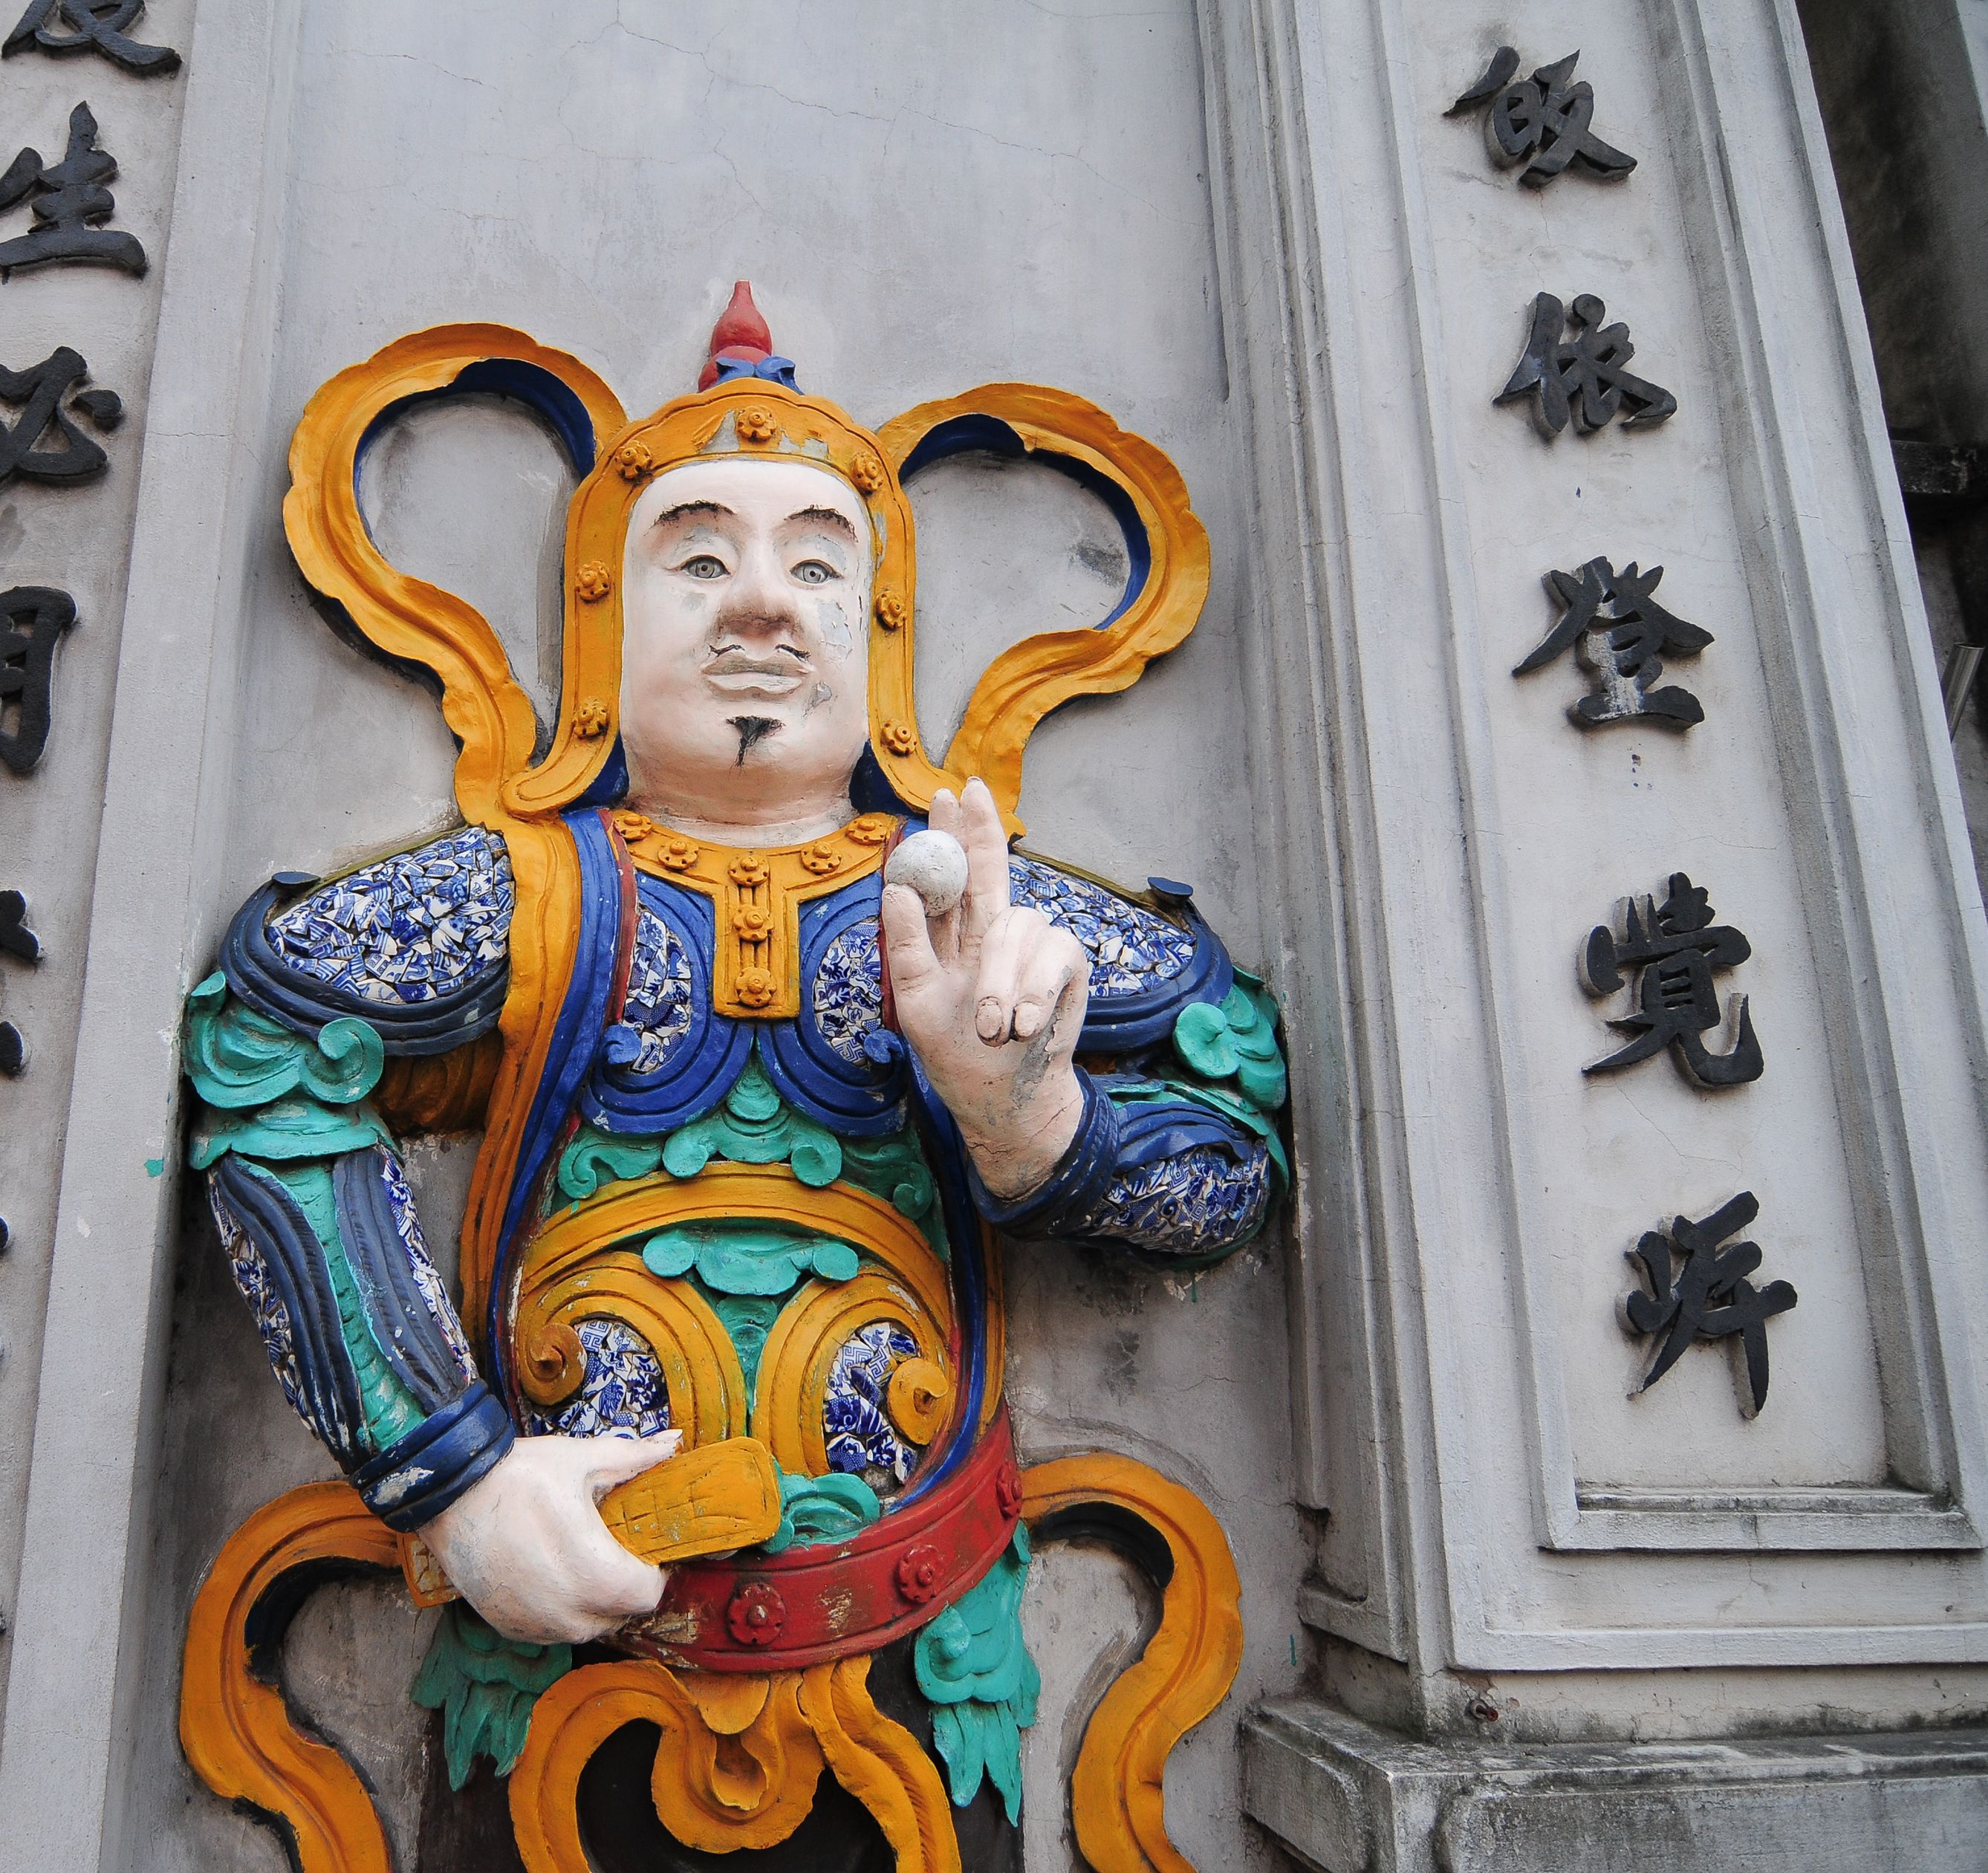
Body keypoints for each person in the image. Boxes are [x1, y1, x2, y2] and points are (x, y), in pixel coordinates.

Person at [181, 293, 1287, 1869]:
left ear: (878, 633)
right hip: (555, 1657)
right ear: (599, 623)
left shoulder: (977, 915)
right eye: (697, 559)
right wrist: (445, 1471)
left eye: (817, 566)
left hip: (913, 1649)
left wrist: (1034, 1120)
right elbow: (265, 1034)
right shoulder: (531, 894)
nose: (760, 606)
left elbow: (1231, 1102)